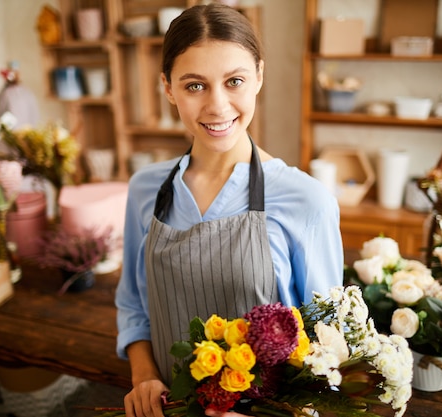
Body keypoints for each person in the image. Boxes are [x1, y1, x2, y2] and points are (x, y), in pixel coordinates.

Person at [115, 4, 343, 417]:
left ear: (259, 75)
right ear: (168, 88)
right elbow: (134, 305)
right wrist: (144, 377)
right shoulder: (144, 190)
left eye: (234, 81)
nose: (217, 107)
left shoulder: (307, 201)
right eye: (195, 86)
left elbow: (330, 350)